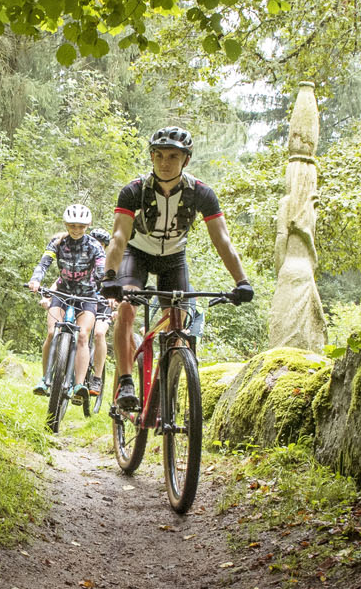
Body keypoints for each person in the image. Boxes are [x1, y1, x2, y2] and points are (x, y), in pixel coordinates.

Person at [100, 126, 253, 413]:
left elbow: (222, 240)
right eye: (158, 155)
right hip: (137, 254)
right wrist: (109, 276)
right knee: (126, 308)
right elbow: (119, 238)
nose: (164, 162)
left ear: (186, 159)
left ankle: (167, 375)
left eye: (173, 156)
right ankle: (125, 382)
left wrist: (241, 281)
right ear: (151, 157)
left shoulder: (201, 194)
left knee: (178, 323)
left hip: (174, 259)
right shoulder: (133, 191)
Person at [25, 203, 112, 397]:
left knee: (82, 336)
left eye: (81, 226)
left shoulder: (95, 246)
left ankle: (79, 385)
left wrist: (106, 285)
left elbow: (101, 268)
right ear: (66, 224)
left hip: (86, 297)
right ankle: (45, 380)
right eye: (72, 225)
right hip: (62, 294)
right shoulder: (57, 243)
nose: (76, 229)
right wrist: (36, 279)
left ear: (87, 226)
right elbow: (44, 262)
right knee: (50, 332)